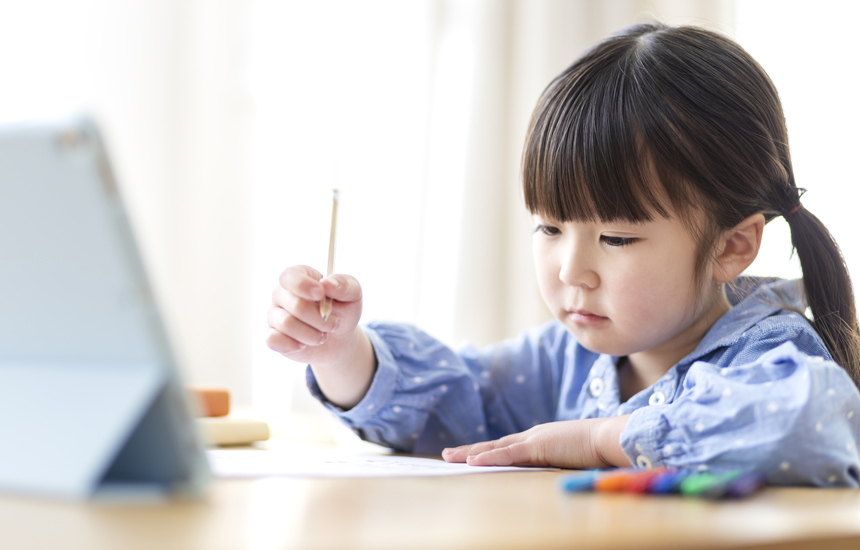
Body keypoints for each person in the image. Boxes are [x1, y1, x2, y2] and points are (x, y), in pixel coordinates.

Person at [266, 22, 860, 485]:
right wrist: (341, 350)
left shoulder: (767, 353)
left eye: (617, 238)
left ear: (731, 247)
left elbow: (806, 425)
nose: (571, 270)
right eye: (549, 228)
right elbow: (458, 399)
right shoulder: (565, 356)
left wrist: (599, 439)